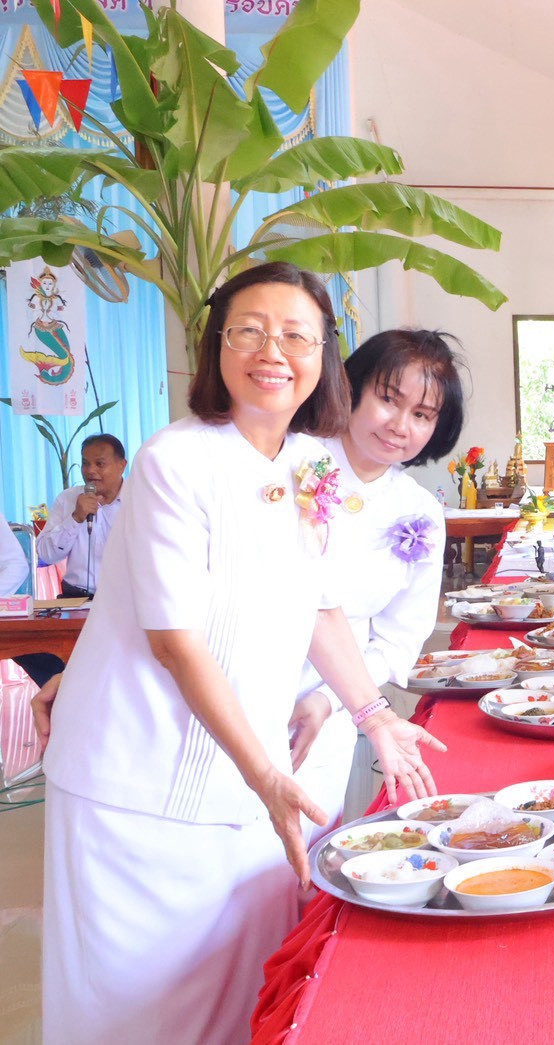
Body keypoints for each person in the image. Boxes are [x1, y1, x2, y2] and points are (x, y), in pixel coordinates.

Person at [39, 261, 445, 1045]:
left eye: (297, 334)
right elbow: (174, 640)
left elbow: (318, 604)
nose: (274, 350)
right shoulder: (175, 460)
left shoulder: (307, 465)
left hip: (251, 784)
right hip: (137, 781)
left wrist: (373, 716)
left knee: (241, 993)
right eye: (250, 330)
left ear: (323, 355)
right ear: (218, 347)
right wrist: (266, 772)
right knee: (131, 1008)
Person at [288, 329, 463, 840]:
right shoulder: (293, 461)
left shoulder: (421, 512)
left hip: (335, 707)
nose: (399, 426)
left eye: (422, 415)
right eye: (388, 400)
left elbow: (398, 639)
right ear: (352, 387)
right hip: (243, 688)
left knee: (301, 851)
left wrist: (328, 698)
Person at [14, 435, 130, 685]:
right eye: (86, 464)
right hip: (73, 600)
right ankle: (66, 690)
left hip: (124, 601)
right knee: (26, 645)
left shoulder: (140, 499)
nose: (91, 471)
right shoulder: (69, 499)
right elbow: (45, 554)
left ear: (122, 465)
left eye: (100, 464)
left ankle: (78, 691)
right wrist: (76, 517)